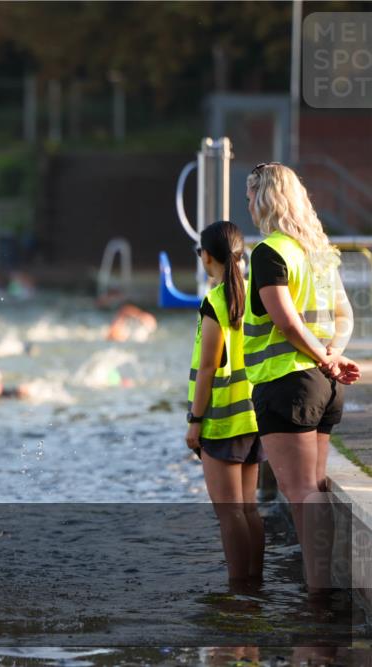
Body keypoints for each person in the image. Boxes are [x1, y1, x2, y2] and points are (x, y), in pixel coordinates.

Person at [243, 163, 361, 590]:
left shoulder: (268, 252)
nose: (248, 205)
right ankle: (323, 584)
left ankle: (318, 590)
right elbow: (345, 315)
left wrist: (325, 359)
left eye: (250, 195)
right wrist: (333, 355)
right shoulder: (318, 251)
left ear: (266, 198)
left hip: (286, 383)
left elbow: (288, 324)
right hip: (324, 388)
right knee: (314, 489)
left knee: (301, 494)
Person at [184, 221, 264, 586]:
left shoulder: (215, 302)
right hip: (253, 416)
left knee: (228, 513)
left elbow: (207, 369)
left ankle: (238, 592)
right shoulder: (254, 294)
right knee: (248, 509)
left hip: (221, 421)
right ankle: (254, 585)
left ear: (207, 256)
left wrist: (195, 421)